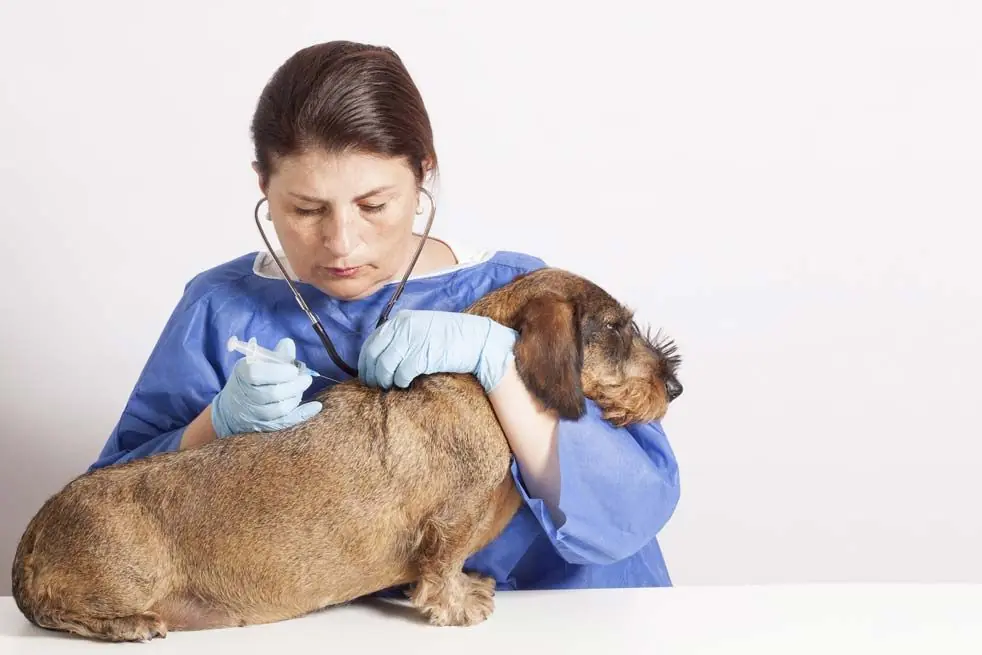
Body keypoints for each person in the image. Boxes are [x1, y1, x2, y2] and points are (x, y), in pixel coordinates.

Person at [90, 40, 681, 590]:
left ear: (423, 173)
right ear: (263, 186)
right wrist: (213, 426)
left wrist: (501, 366)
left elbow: (631, 513)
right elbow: (108, 507)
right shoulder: (219, 311)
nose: (342, 242)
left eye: (373, 205)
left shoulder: (526, 297)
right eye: (305, 209)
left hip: (570, 615)